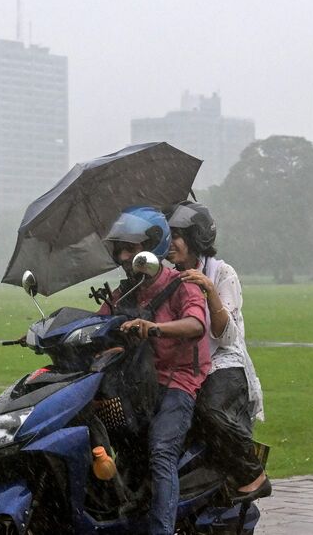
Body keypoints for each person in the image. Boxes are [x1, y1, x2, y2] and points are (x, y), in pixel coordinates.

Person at [99, 205, 211, 535]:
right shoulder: (123, 293)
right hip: (136, 384)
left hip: (177, 381)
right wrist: (52, 332)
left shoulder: (181, 285)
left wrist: (155, 328)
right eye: (120, 248)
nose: (122, 255)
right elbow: (95, 322)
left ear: (152, 246)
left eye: (130, 248)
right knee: (107, 437)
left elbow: (195, 323)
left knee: (161, 450)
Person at [164, 200, 270, 499]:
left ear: (197, 238)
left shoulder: (222, 274)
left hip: (223, 361)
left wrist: (208, 290)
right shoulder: (168, 278)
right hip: (185, 364)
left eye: (177, 235)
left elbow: (226, 336)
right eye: (166, 235)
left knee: (209, 410)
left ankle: (252, 472)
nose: (170, 243)